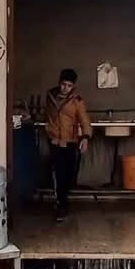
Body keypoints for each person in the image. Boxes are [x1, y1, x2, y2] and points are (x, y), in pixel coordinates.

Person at [43, 68, 91, 222]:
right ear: (59, 83)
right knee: (58, 173)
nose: (65, 88)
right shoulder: (50, 96)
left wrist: (85, 137)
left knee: (69, 173)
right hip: (54, 140)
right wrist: (48, 128)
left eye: (69, 86)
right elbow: (48, 115)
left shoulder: (77, 100)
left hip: (70, 141)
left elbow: (84, 119)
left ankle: (63, 199)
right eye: (63, 84)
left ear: (73, 86)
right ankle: (60, 204)